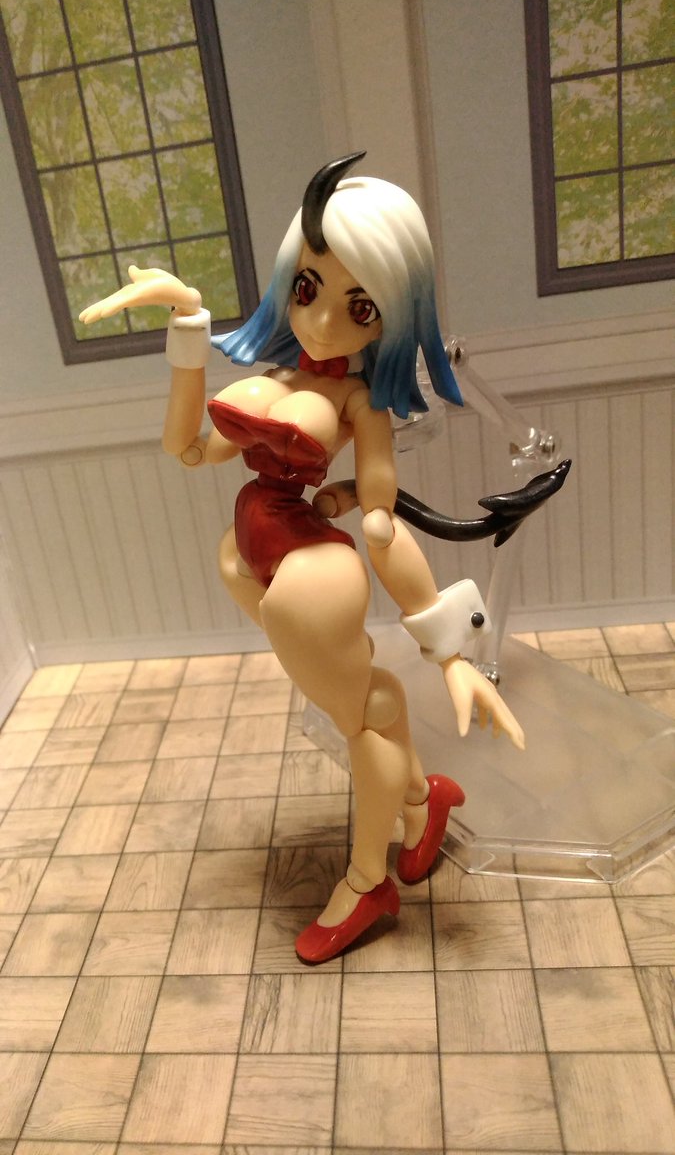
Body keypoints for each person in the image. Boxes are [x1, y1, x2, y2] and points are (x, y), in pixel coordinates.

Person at [80, 153, 524, 963]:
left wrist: (451, 652)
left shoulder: (357, 402)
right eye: (309, 287)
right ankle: (423, 801)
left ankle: (367, 880)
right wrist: (187, 326)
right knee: (365, 704)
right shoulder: (275, 374)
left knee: (365, 719)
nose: (323, 322)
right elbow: (188, 449)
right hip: (252, 554)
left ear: (392, 317)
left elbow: (382, 522)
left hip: (310, 577)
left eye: (362, 306)